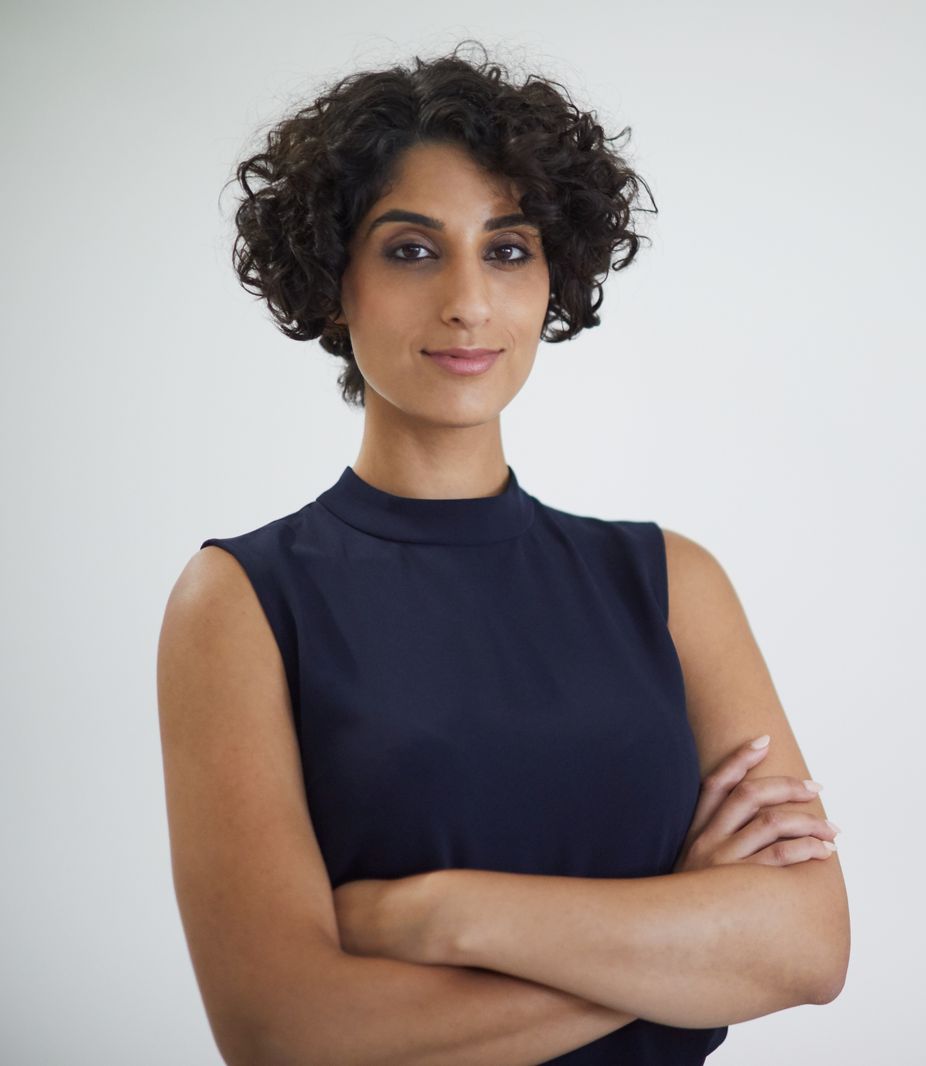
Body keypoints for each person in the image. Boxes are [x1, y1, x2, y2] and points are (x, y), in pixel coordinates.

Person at [156, 40, 849, 1065]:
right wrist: (685, 941)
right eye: (411, 248)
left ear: (550, 278)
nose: (469, 301)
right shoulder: (243, 601)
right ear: (332, 280)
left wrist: (443, 913)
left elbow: (809, 945)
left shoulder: (671, 584)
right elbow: (287, 1034)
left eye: (509, 249)